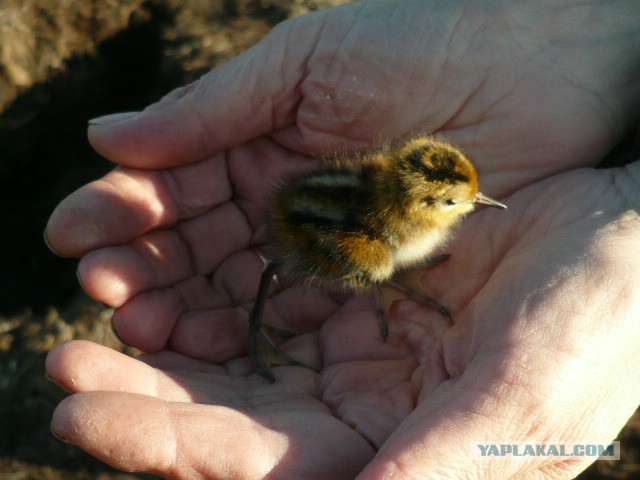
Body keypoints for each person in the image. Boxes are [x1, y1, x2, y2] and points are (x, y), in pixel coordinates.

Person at [44, 1, 640, 478]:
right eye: (462, 200)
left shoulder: (392, 189)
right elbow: (348, 231)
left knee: (377, 258)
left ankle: (324, 303)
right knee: (369, 259)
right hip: (337, 239)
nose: (477, 204)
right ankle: (269, 323)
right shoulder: (385, 226)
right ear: (426, 201)